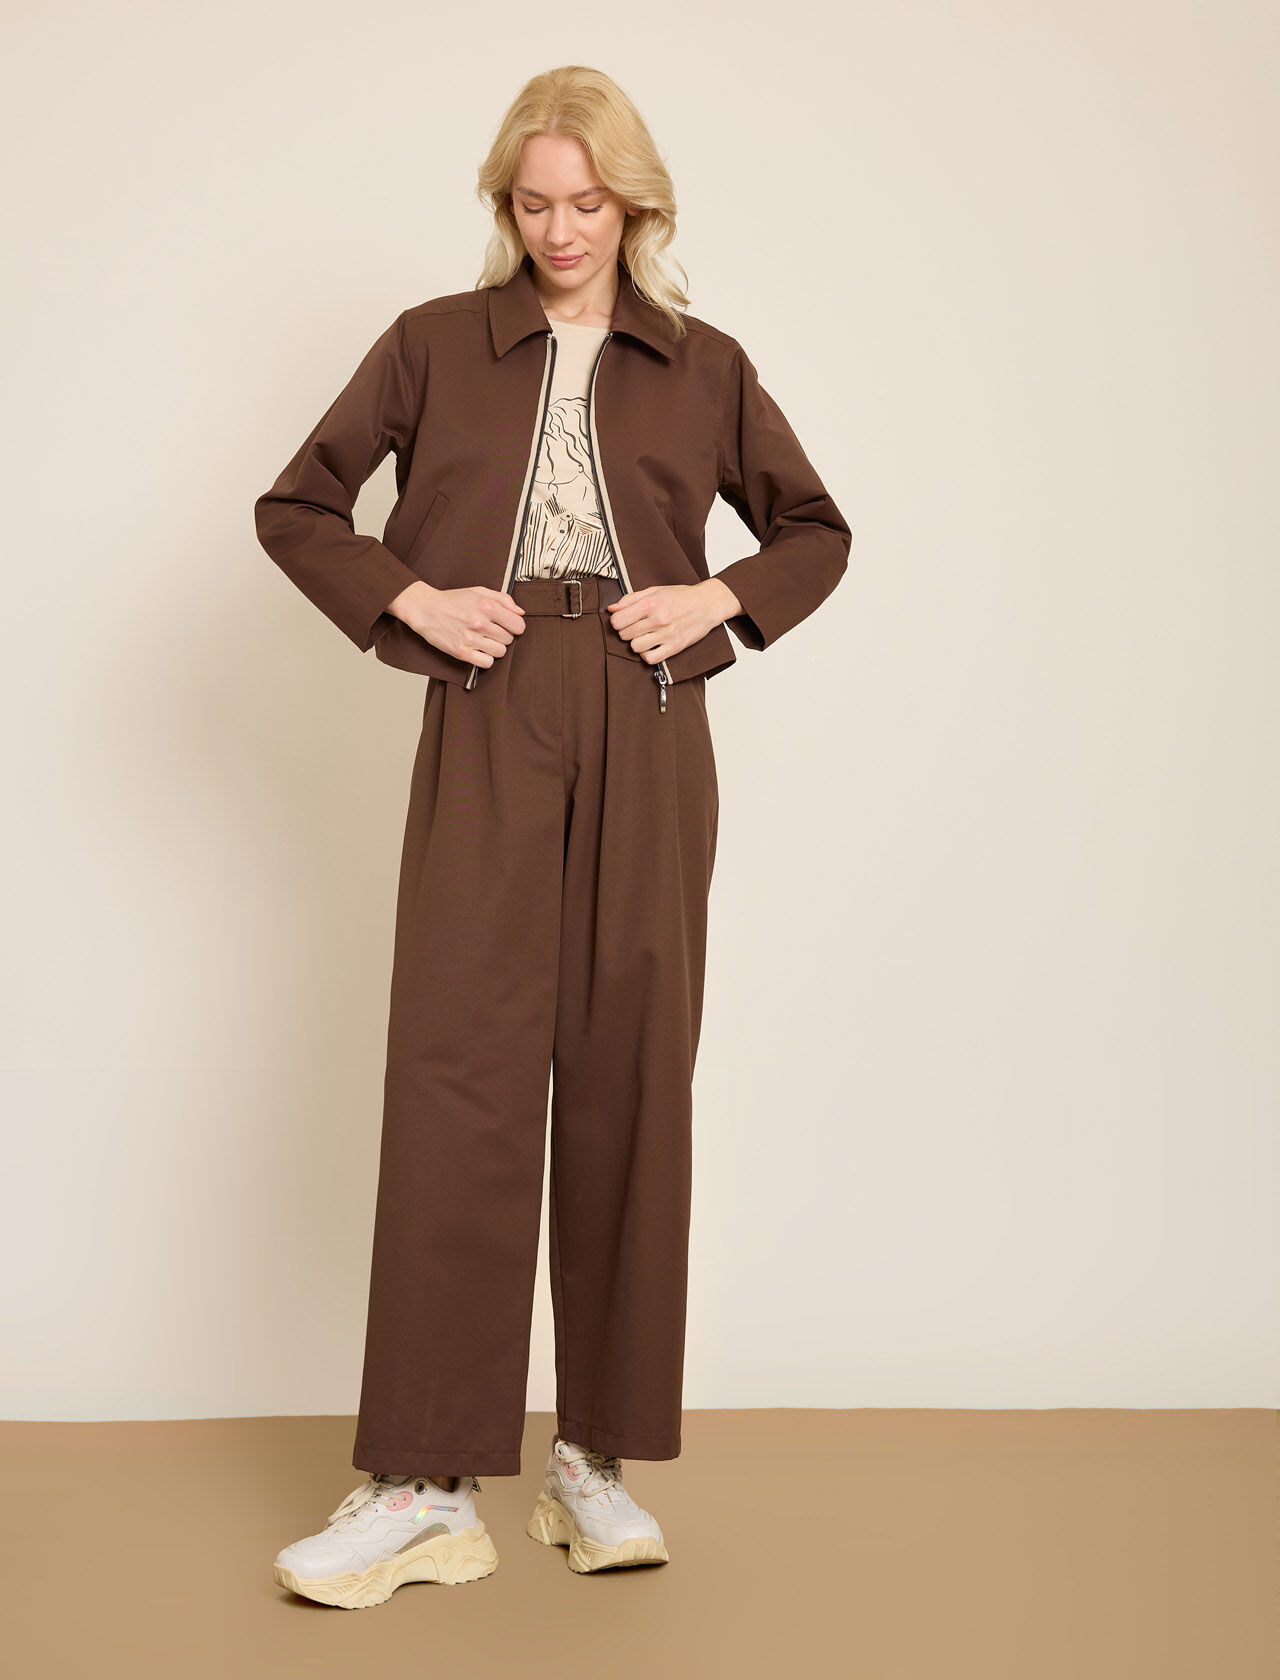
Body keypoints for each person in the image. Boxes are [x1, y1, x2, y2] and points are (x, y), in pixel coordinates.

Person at [255, 64, 850, 1610]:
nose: (562, 230)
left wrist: (716, 601)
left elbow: (814, 530)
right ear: (504, 205)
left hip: (649, 715)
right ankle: (424, 1482)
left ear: (636, 206)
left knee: (632, 1062)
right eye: (534, 204)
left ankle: (594, 1457)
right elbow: (299, 506)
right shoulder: (432, 343)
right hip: (490, 694)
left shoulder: (703, 365)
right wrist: (410, 595)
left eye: (589, 204)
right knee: (459, 1061)